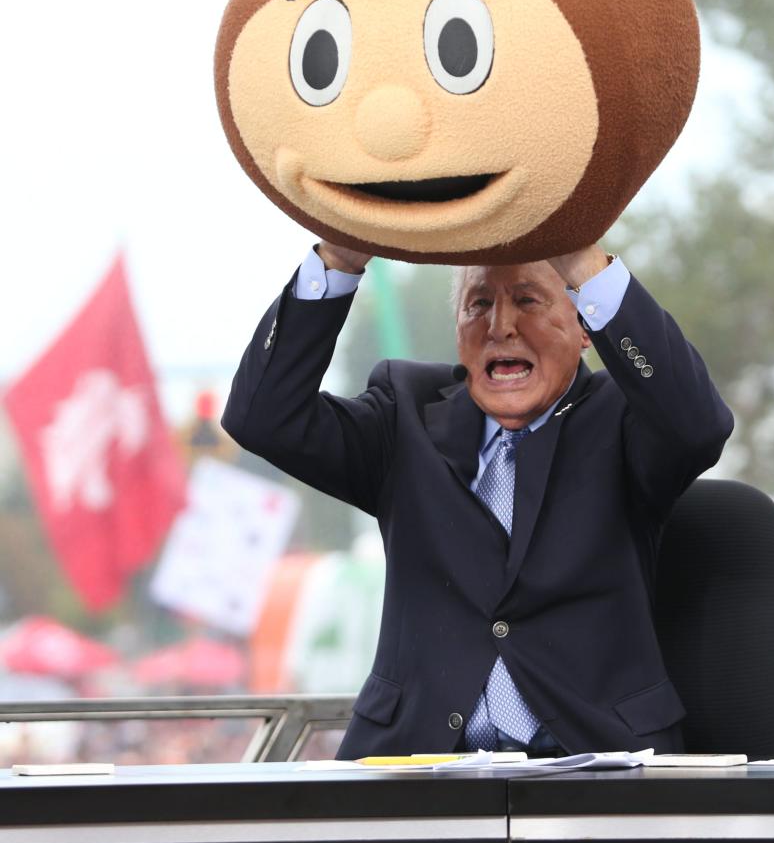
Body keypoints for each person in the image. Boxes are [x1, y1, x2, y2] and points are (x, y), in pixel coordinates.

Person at [223, 241, 734, 758]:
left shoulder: (625, 420)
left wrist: (580, 257)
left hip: (598, 770)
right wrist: (340, 256)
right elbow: (263, 417)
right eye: (479, 304)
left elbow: (699, 426)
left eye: (529, 300)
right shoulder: (404, 412)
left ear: (585, 327)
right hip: (416, 772)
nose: (500, 326)